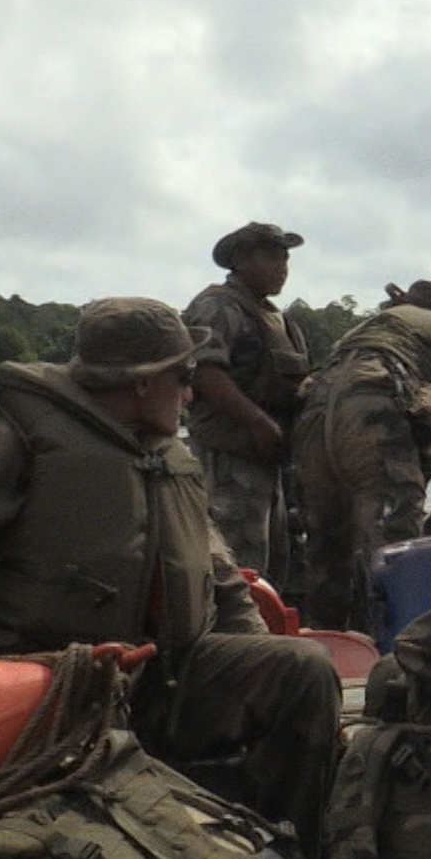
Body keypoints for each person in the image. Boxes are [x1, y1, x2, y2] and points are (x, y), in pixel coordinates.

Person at [0, 298, 340, 856]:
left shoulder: (164, 455)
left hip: (158, 683)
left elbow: (223, 582)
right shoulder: (6, 444)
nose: (191, 394)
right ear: (140, 383)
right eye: (183, 377)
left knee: (301, 669)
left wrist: (254, 670)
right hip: (44, 699)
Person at [290, 279, 431, 630]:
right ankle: (401, 653)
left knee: (327, 551)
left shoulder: (366, 330)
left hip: (313, 420)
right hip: (371, 412)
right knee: (396, 549)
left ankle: (332, 646)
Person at [182, 221, 309, 587]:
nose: (281, 266)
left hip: (271, 462)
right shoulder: (218, 307)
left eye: (285, 258)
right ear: (239, 260)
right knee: (237, 566)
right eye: (271, 257)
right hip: (229, 457)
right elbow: (205, 370)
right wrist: (257, 422)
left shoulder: (281, 321)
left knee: (276, 564)